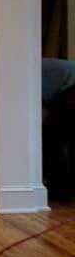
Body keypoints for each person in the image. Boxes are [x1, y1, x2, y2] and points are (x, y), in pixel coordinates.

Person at [43, 58, 75, 201]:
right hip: (67, 84)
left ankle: (60, 192)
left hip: (71, 86)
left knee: (52, 140)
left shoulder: (20, 75)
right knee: (59, 139)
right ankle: (63, 189)